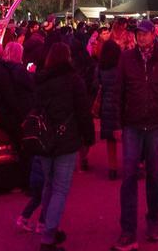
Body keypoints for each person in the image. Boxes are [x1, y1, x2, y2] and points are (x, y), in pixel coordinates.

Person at [112, 23, 158, 251]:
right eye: (138, 34)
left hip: (156, 125)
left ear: (154, 35)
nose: (141, 38)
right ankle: (128, 229)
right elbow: (118, 91)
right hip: (132, 124)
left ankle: (153, 221)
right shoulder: (126, 59)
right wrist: (117, 124)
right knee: (129, 177)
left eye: (145, 34)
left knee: (154, 175)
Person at [31, 44, 94, 251]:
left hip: (45, 139)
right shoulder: (73, 80)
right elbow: (83, 110)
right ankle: (48, 236)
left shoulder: (40, 80)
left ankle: (48, 224)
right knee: (60, 188)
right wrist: (88, 136)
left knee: (50, 184)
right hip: (66, 139)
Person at [94, 40, 121, 180]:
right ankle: (131, 165)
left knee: (111, 139)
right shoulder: (121, 67)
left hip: (106, 104)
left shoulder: (100, 68)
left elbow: (96, 84)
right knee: (127, 136)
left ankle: (112, 167)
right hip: (120, 104)